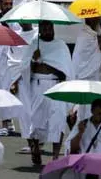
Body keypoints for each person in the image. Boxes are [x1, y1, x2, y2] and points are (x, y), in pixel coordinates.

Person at [25, 20, 74, 166]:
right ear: (39, 29)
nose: (47, 29)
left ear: (53, 28)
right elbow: (25, 69)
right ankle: (36, 149)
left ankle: (55, 157)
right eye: (44, 27)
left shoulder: (61, 46)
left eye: (49, 27)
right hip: (37, 86)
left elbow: (65, 72)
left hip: (55, 86)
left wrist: (46, 64)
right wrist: (33, 60)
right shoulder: (34, 44)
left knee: (57, 121)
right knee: (35, 120)